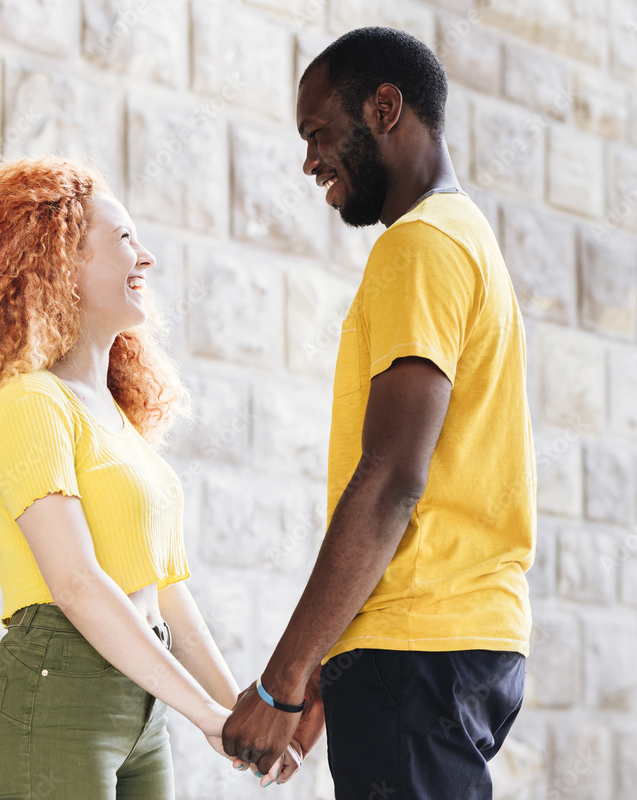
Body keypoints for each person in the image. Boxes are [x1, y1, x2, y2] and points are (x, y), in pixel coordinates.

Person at [222, 26, 536, 799]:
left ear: (385, 107)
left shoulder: (419, 247)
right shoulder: (467, 240)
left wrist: (283, 680)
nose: (309, 161)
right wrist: (331, 661)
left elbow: (394, 474)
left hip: (417, 651)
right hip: (454, 644)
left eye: (319, 133)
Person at [0, 157, 292, 798]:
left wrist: (238, 711)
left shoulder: (122, 427)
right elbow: (77, 584)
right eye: (124, 240)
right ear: (61, 262)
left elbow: (166, 591)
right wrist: (203, 713)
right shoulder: (30, 403)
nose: (145, 257)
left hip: (137, 702)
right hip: (53, 694)